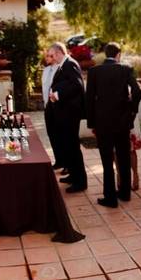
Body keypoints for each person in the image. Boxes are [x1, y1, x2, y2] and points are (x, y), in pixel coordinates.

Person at [86, 42, 141, 208]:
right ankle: (125, 193)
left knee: (107, 160)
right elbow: (137, 91)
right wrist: (132, 112)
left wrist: (91, 123)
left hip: (102, 124)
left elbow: (89, 99)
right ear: (118, 54)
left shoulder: (94, 71)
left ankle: (110, 197)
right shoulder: (125, 69)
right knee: (123, 157)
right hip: (123, 122)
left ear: (105, 54)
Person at [48, 42, 87, 192]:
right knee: (68, 146)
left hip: (71, 114)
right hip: (64, 113)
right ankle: (73, 175)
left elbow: (77, 85)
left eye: (52, 55)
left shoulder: (70, 64)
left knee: (73, 147)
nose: (51, 58)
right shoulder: (63, 65)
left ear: (58, 53)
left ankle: (80, 181)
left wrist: (58, 94)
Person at [41, 47, 65, 171]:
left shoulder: (60, 69)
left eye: (50, 56)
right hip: (48, 107)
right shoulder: (45, 71)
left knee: (61, 135)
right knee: (52, 134)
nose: (47, 58)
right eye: (47, 56)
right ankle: (59, 160)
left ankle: (67, 164)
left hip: (57, 107)